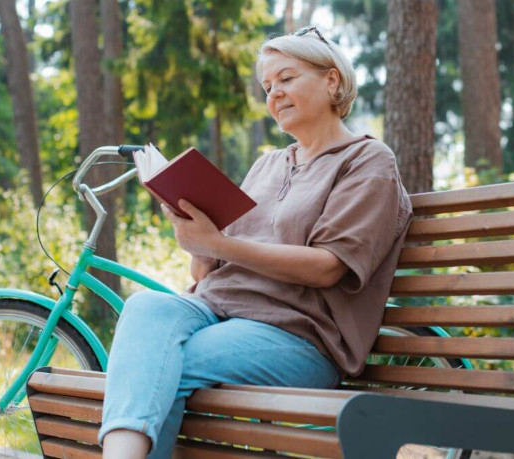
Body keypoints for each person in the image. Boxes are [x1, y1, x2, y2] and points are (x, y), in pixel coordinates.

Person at [99, 26, 413, 459]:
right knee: (144, 307)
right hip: (217, 312)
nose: (275, 94)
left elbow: (328, 267)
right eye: (267, 86)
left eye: (286, 78)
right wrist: (197, 240)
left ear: (332, 80)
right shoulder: (267, 165)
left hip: (298, 336)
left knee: (157, 367)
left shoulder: (367, 160)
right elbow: (207, 272)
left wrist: (222, 245)